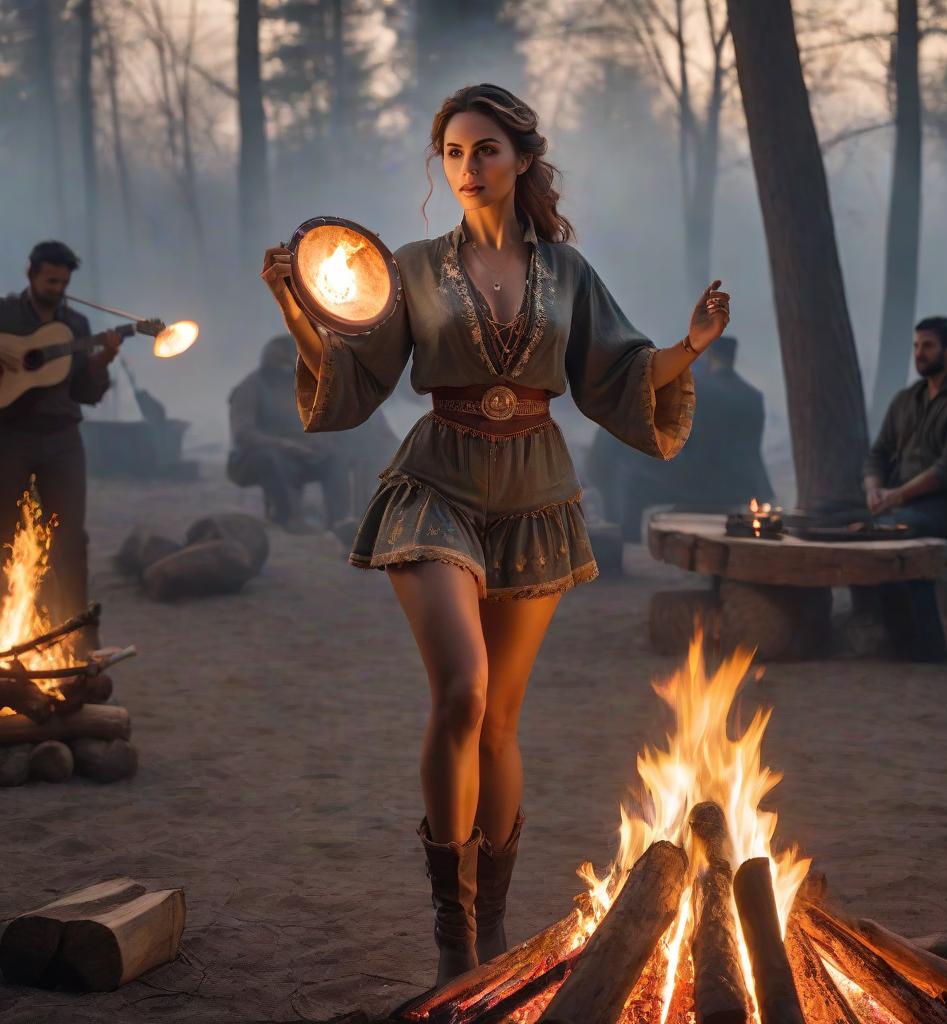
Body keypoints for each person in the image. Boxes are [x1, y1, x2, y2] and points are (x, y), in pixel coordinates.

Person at [261, 84, 730, 985]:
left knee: (503, 722)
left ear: (521, 159)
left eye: (483, 150)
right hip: (435, 479)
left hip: (536, 491)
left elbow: (619, 377)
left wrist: (693, 345)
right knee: (463, 693)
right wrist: (293, 303)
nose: (466, 168)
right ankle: (452, 935)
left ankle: (496, 922)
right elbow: (353, 376)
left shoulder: (569, 272)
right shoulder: (411, 265)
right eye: (450, 153)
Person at [0, 241, 120, 652]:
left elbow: (85, 393)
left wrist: (100, 364)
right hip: (10, 437)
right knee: (3, 532)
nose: (56, 288)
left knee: (70, 537)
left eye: (63, 282)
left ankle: (77, 631)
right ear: (31, 275)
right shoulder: (5, 315)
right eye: (50, 280)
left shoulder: (77, 325)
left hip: (63, 439)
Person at [585, 335, 773, 539]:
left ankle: (629, 542)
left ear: (708, 355)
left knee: (632, 478)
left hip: (703, 483)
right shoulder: (753, 396)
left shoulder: (695, 387)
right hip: (745, 485)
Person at [864, 316, 947, 574]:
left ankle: (925, 612)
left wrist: (896, 495)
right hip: (902, 502)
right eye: (916, 346)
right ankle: (871, 610)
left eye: (927, 346)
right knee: (847, 522)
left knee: (894, 529)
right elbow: (878, 453)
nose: (919, 353)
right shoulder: (906, 400)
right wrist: (875, 489)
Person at [227, 334, 396, 530]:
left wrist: (322, 440)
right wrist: (285, 445)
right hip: (255, 459)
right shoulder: (250, 388)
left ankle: (338, 521)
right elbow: (244, 435)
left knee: (335, 456)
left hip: (299, 455)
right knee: (271, 458)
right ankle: (288, 517)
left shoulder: (303, 385)